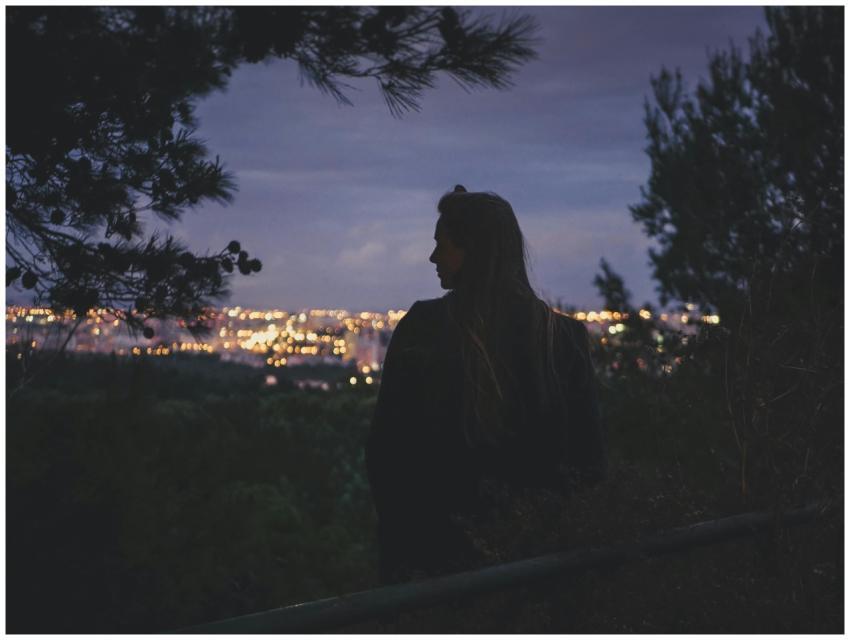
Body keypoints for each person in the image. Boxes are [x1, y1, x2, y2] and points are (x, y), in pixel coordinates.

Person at [365, 185, 607, 583]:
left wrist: (405, 554)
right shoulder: (562, 339)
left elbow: (387, 452)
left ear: (474, 250)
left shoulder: (424, 329)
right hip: (539, 569)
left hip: (434, 566)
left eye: (444, 245)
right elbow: (589, 464)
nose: (433, 257)